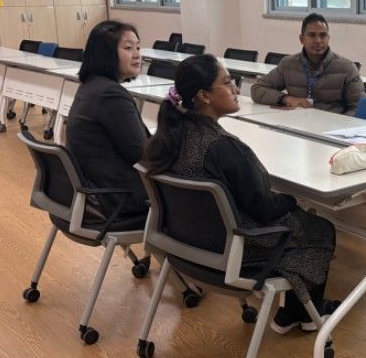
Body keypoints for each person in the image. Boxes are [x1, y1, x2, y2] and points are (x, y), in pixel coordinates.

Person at [142, 54, 337, 334]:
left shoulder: (169, 136)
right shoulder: (222, 147)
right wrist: (292, 198)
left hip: (185, 245)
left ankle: (296, 312)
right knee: (319, 228)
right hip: (235, 251)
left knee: (299, 218)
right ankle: (304, 314)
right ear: (204, 96)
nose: (236, 88)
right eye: (227, 82)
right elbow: (265, 208)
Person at [66, 20, 149, 222]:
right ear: (106, 53)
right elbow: (143, 154)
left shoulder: (91, 86)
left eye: (138, 47)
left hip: (93, 193)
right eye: (128, 48)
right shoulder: (110, 94)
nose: (137, 54)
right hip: (116, 201)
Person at [250, 13, 364, 115]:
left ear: (328, 38)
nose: (318, 41)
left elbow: (359, 107)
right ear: (301, 39)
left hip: (332, 128)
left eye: (323, 35)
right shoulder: (288, 64)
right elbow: (257, 89)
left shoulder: (347, 69)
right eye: (312, 35)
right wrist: (286, 99)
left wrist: (341, 126)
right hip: (298, 126)